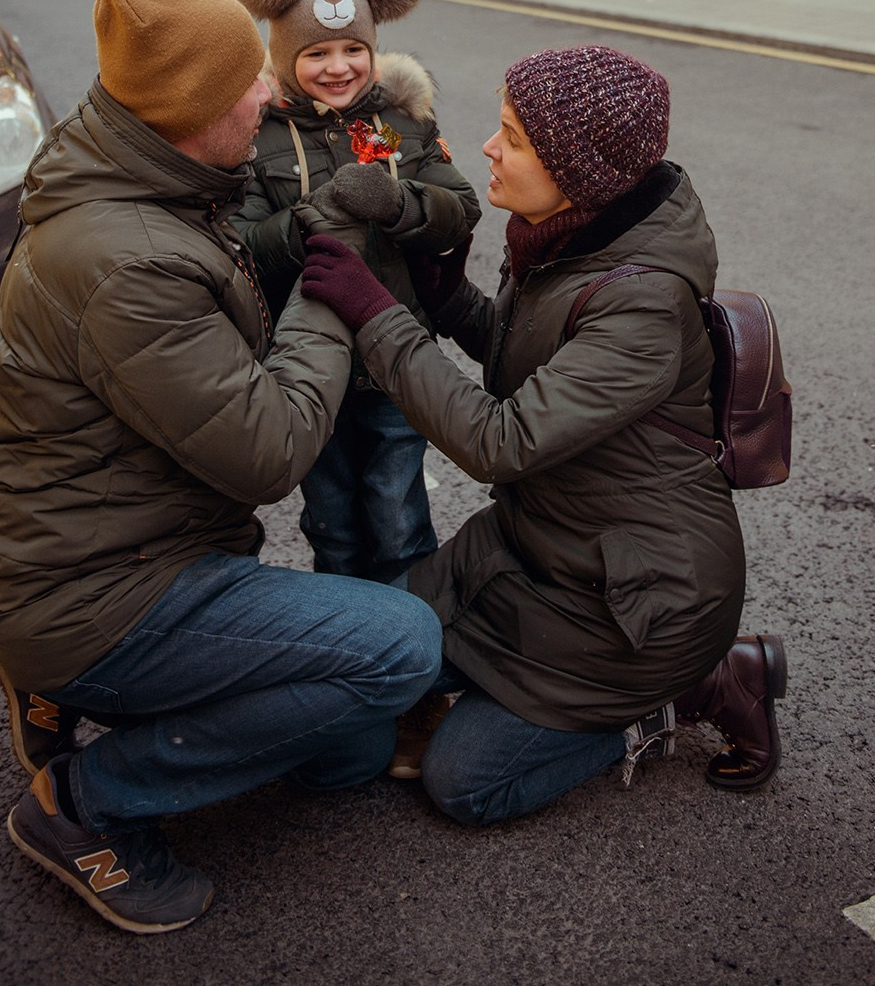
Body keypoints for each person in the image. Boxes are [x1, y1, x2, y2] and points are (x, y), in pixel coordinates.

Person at [0, 0, 441, 934]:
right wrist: (332, 280)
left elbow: (421, 195)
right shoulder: (123, 260)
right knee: (402, 648)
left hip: (133, 548)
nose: (269, 89)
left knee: (349, 757)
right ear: (194, 107)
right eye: (248, 84)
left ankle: (101, 693)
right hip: (104, 587)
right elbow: (270, 453)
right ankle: (86, 803)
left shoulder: (152, 169)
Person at [296, 44, 787, 827]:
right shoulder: (563, 236)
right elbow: (526, 372)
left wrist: (376, 316)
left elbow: (501, 440)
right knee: (365, 651)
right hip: (532, 551)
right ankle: (519, 687)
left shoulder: (642, 300)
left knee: (463, 782)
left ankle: (700, 687)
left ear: (577, 169)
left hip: (630, 611)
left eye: (512, 138)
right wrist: (447, 298)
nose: (488, 148)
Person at [230, 0, 481, 597]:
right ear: (285, 56)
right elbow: (240, 243)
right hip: (308, 368)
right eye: (317, 52)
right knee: (334, 521)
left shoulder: (386, 126)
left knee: (398, 515)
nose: (338, 67)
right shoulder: (258, 138)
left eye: (353, 50)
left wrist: (399, 203)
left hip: (394, 361)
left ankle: (415, 645)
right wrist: (309, 221)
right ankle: (354, 644)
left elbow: (458, 208)